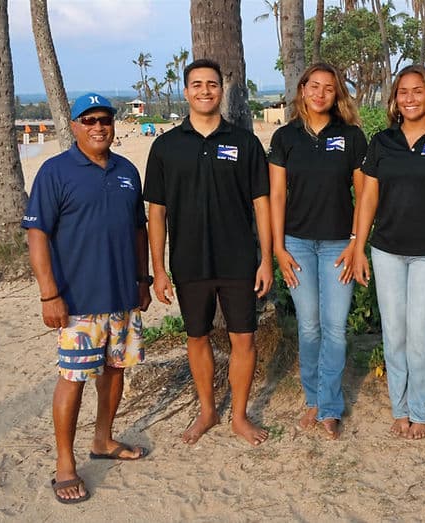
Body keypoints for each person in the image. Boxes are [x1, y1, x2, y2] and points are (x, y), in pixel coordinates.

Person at [22, 93, 152, 504]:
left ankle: (104, 439)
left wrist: (142, 280)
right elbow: (37, 234)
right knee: (73, 379)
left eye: (105, 119)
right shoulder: (55, 172)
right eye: (89, 119)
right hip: (77, 302)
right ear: (75, 126)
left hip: (121, 296)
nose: (99, 126)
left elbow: (138, 230)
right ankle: (65, 463)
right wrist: (49, 295)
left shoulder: (127, 171)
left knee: (116, 371)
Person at [143, 59, 273, 447]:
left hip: (238, 261)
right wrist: (159, 270)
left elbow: (261, 205)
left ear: (221, 90)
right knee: (197, 336)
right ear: (186, 92)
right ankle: (207, 411)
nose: (204, 91)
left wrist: (265, 259)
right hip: (189, 261)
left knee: (243, 339)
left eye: (212, 84)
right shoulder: (165, 147)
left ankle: (238, 415)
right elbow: (157, 213)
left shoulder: (244, 143)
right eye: (197, 84)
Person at [353, 65, 425, 440]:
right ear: (394, 99)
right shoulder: (381, 142)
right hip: (386, 251)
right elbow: (368, 197)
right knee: (395, 333)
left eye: (417, 91)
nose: (410, 98)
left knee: (423, 334)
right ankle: (399, 408)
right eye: (403, 92)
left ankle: (421, 410)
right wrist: (358, 247)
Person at [268, 63, 367, 439]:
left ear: (337, 93)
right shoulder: (286, 137)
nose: (320, 93)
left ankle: (330, 406)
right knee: (309, 327)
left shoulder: (353, 137)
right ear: (302, 90)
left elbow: (364, 195)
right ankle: (314, 397)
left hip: (340, 246)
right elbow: (277, 195)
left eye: (329, 87)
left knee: (336, 328)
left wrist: (357, 242)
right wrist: (278, 247)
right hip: (296, 245)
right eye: (314, 86)